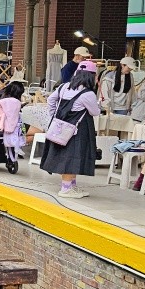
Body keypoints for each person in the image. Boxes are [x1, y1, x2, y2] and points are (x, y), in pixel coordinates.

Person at [41, 60, 101, 199]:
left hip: (60, 127)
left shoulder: (64, 86)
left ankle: (71, 186)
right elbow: (94, 112)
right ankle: (66, 188)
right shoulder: (88, 94)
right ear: (91, 76)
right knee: (72, 157)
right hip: (77, 131)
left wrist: (54, 116)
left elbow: (51, 100)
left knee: (65, 156)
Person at [0, 81, 26, 157]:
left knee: (24, 132)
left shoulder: (0, 97)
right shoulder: (14, 101)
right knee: (38, 132)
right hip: (13, 124)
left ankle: (17, 144)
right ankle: (17, 144)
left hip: (2, 124)